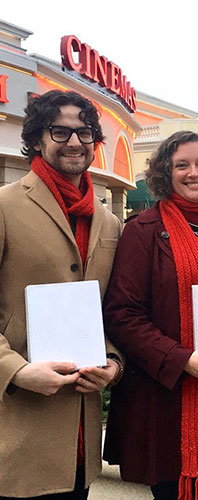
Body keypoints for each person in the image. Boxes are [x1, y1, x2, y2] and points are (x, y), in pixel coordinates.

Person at [103, 130, 198, 500]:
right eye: (181, 165)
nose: (193, 173)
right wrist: (181, 359)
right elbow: (122, 314)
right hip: (167, 400)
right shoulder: (142, 232)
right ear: (165, 173)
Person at [0, 90, 123, 499]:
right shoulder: (4, 206)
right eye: (60, 131)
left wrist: (113, 362)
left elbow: (110, 310)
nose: (74, 142)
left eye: (84, 133)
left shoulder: (108, 221)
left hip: (79, 443)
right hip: (16, 428)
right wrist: (15, 371)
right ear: (37, 139)